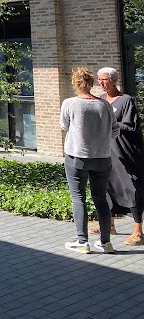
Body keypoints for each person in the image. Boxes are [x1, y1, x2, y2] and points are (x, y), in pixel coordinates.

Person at [60, 67, 119, 254]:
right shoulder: (105, 105)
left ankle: (82, 241)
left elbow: (63, 125)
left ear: (75, 83)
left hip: (77, 156)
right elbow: (115, 131)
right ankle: (106, 242)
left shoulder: (70, 103)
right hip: (102, 158)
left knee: (79, 198)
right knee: (101, 199)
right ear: (92, 83)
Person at [96, 67, 144, 246]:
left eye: (104, 80)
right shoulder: (100, 99)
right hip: (106, 152)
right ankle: (109, 225)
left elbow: (131, 126)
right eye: (99, 80)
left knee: (131, 187)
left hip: (125, 152)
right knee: (107, 187)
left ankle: (138, 231)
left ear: (114, 80)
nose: (101, 83)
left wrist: (109, 122)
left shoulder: (126, 100)